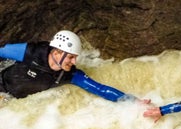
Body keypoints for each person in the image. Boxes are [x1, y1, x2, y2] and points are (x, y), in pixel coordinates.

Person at [0, 30, 150, 104]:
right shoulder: (30, 52)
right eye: (71, 57)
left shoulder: (69, 75)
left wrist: (135, 102)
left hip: (15, 102)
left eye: (75, 57)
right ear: (57, 52)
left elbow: (100, 89)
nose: (74, 62)